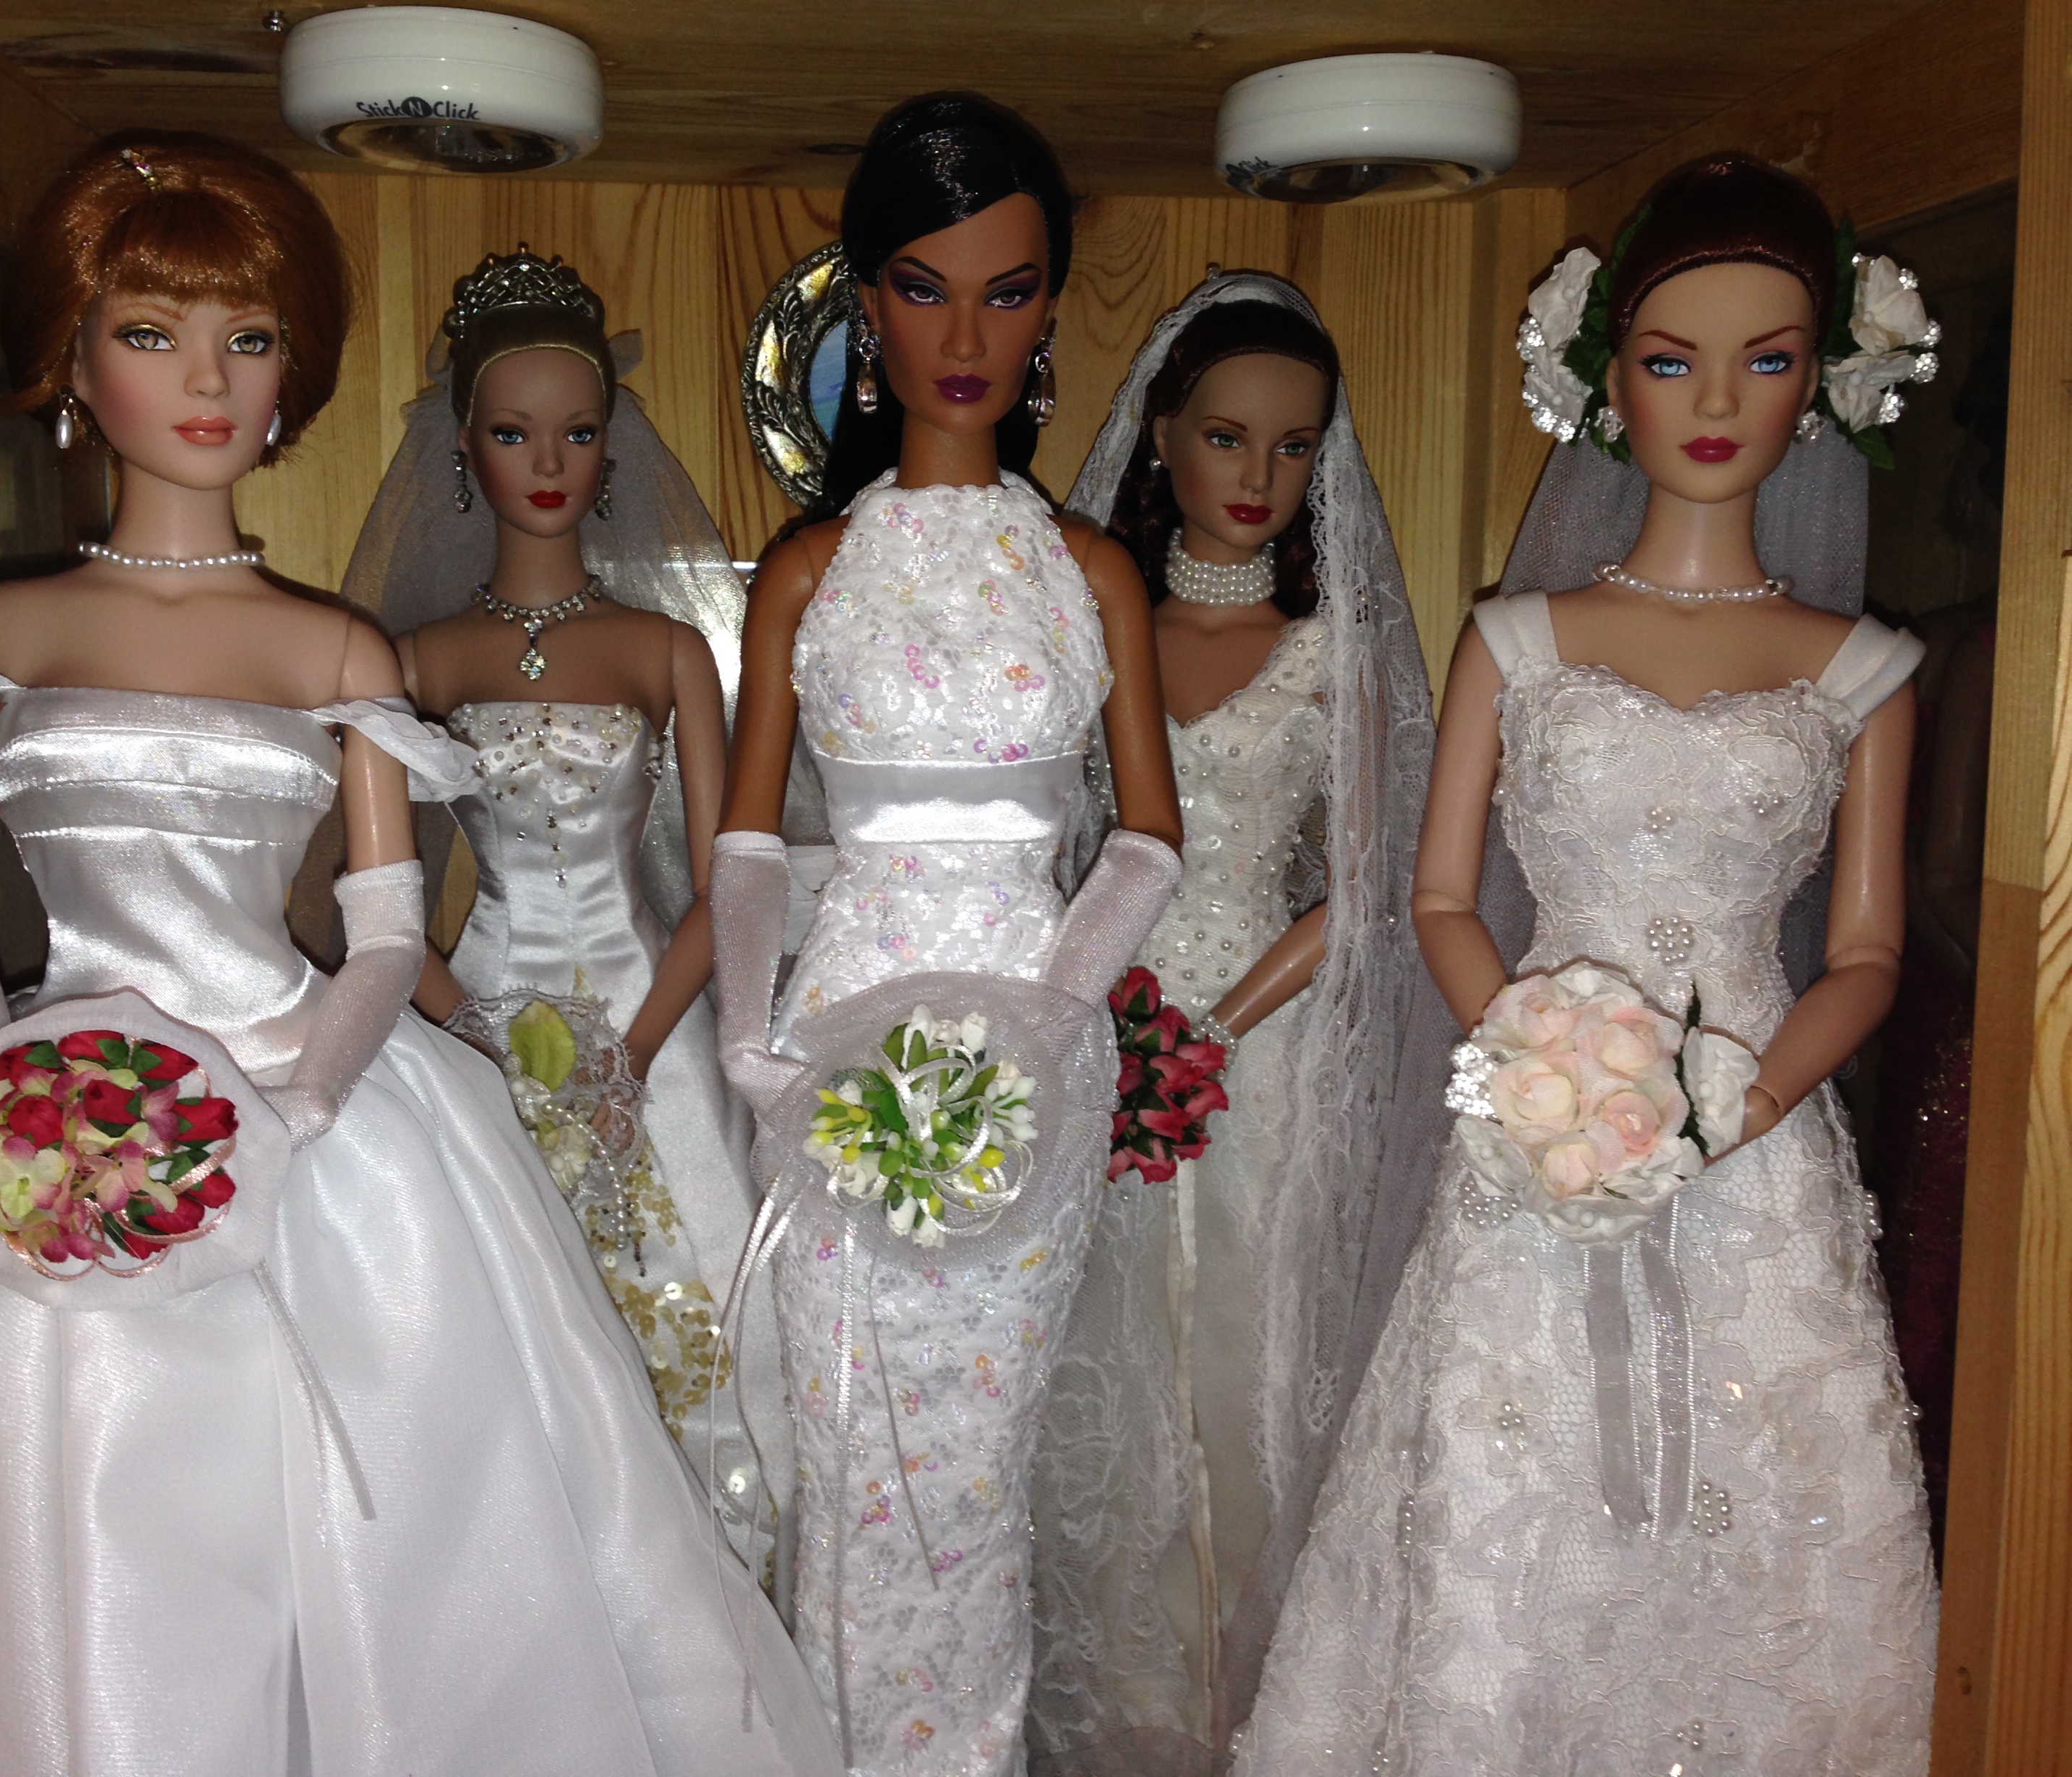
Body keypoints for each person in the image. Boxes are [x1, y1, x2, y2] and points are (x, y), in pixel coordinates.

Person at [0, 131, 836, 1777]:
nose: (206, 381)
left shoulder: (337, 648)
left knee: (407, 1515)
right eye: (152, 333)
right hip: (50, 1114)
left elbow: (386, 932)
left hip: (311, 1099)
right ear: (73, 365)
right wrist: (4, 1092)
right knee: (73, 1497)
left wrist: (302, 1106)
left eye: (246, 340)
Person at [1237, 155, 1940, 1773]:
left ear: (1824, 383)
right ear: (1610, 381)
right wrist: (1540, 1065)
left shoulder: (1865, 671)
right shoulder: (1516, 639)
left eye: (1768, 359)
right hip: (1534, 1126)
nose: (1719, 401)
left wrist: (1737, 1103)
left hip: (1760, 1144)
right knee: (1511, 1464)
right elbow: (1439, 898)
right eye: (1674, 360)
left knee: (1765, 1487)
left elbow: (1868, 949)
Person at [707, 92, 1184, 1774]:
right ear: (867, 304)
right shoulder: (808, 571)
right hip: (834, 1048)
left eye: (1009, 289)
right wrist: (748, 1040)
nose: (967, 336)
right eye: (923, 289)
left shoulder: (1091, 571)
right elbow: (751, 840)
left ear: (1049, 307)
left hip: (1039, 1045)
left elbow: (1146, 843)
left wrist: (1047, 1020)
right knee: (850, 1451)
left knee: (978, 1465)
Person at [1028, 273, 1430, 1770]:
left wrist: (1217, 1028)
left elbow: (1377, 883)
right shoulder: (1095, 631)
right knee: (1105, 1372)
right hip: (1101, 1035)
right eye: (1226, 437)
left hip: (1269, 1050)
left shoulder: (1332, 656)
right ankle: (1121, 1709)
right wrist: (1105, 1021)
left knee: (1255, 1364)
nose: (1259, 475)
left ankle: (1256, 1706)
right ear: (1162, 440)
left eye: (1293, 445)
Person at [345, 244, 792, 1564]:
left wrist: (634, 1051)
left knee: (698, 1305)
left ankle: (722, 1576)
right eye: (512, 433)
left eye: (578, 432)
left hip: (652, 1015)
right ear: (463, 448)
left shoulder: (666, 649)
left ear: (612, 446)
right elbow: (380, 900)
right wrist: (481, 1039)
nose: (548, 462)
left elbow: (726, 880)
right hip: (483, 1019)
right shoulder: (414, 661)